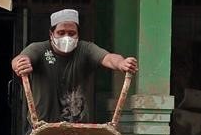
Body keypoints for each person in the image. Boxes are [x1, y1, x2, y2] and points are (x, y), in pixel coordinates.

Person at [10, 8, 138, 124]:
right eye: (61, 32)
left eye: (71, 33)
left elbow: (108, 58)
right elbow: (20, 59)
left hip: (78, 128)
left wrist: (122, 63)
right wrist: (20, 64)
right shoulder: (39, 49)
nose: (66, 37)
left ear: (78, 35)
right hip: (42, 127)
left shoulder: (85, 49)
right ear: (51, 34)